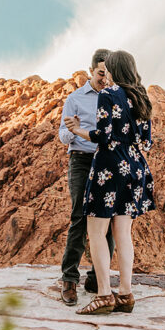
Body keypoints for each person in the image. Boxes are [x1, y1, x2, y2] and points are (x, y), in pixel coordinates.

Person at [64, 50, 155, 315]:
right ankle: (125, 294)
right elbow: (147, 142)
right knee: (123, 234)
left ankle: (104, 295)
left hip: (109, 166)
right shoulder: (142, 98)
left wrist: (78, 130)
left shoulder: (108, 94)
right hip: (135, 167)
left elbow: (102, 135)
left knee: (95, 231)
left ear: (114, 69)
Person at [57, 49, 116, 306]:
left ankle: (96, 278)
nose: (105, 79)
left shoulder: (115, 97)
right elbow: (62, 137)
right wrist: (74, 129)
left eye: (109, 74)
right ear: (92, 70)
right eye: (101, 73)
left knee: (109, 220)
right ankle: (69, 279)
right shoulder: (75, 98)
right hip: (81, 160)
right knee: (80, 217)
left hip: (107, 161)